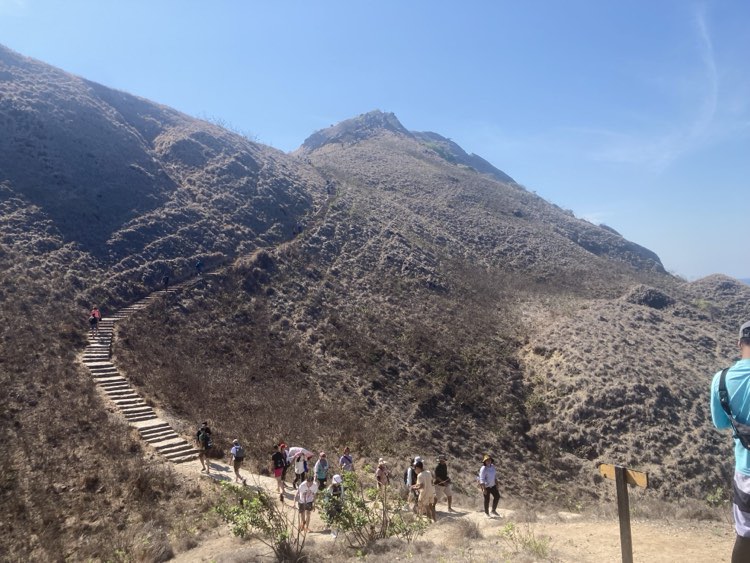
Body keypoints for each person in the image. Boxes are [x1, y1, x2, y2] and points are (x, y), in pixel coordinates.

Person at [711, 320, 750, 562]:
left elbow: (721, 423)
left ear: (739, 344)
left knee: (745, 536)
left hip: (746, 474)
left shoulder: (721, 380)